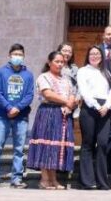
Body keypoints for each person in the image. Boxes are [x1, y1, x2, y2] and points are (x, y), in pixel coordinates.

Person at [0, 43, 35, 189]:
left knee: (19, 150)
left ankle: (16, 179)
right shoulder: (0, 72)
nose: (17, 57)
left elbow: (29, 95)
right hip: (2, 116)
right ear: (9, 55)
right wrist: (9, 107)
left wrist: (18, 108)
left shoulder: (28, 75)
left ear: (24, 56)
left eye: (20, 55)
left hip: (21, 117)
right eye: (15, 54)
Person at [27, 51, 76, 189]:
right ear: (49, 63)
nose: (60, 64)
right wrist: (67, 102)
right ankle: (44, 179)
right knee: (46, 145)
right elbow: (48, 94)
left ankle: (54, 179)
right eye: (57, 61)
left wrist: (70, 104)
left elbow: (72, 93)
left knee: (56, 147)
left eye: (62, 62)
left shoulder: (66, 79)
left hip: (63, 114)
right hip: (48, 112)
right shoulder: (44, 77)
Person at [77, 45, 111, 190]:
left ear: (102, 56)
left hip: (105, 109)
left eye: (97, 54)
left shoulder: (106, 71)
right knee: (88, 143)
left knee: (103, 144)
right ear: (88, 56)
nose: (94, 56)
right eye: (92, 54)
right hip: (89, 108)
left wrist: (107, 106)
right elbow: (84, 91)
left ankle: (102, 181)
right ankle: (87, 181)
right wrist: (97, 106)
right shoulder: (83, 71)